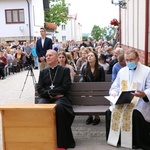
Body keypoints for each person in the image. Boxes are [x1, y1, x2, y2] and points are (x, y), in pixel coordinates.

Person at [106, 49, 150, 150]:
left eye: (131, 60)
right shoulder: (122, 71)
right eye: (127, 60)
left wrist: (144, 94)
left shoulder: (147, 71)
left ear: (138, 59)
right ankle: (118, 139)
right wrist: (113, 94)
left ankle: (136, 142)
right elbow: (115, 86)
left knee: (134, 114)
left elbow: (149, 88)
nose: (129, 62)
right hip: (123, 102)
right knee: (109, 111)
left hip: (139, 102)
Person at [37, 50, 75, 149]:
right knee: (41, 107)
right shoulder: (43, 72)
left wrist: (51, 92)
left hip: (62, 99)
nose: (47, 57)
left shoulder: (64, 70)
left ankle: (62, 142)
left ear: (56, 57)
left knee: (59, 107)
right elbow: (40, 88)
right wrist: (50, 94)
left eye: (50, 55)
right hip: (47, 98)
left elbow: (66, 86)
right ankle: (43, 139)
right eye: (46, 56)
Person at [81, 51, 105, 125]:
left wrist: (95, 90)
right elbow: (84, 81)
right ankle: (90, 116)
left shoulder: (100, 68)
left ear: (95, 58)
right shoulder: (85, 68)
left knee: (94, 97)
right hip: (87, 90)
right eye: (88, 56)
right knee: (88, 97)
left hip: (98, 90)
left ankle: (97, 117)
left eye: (91, 55)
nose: (89, 57)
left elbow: (102, 81)